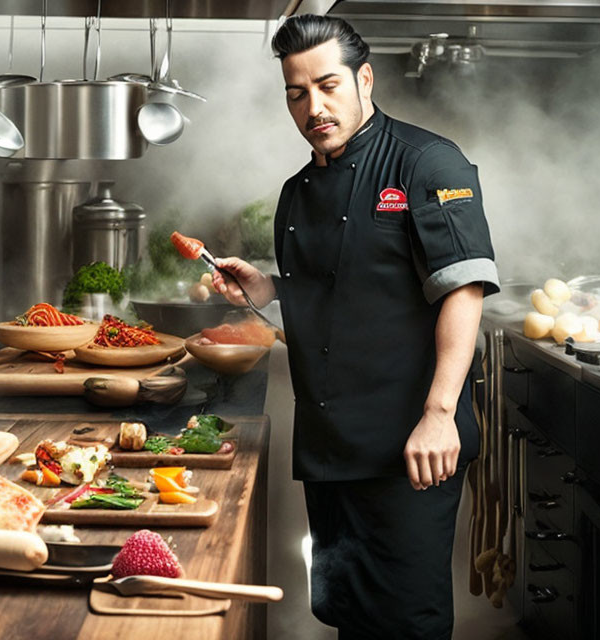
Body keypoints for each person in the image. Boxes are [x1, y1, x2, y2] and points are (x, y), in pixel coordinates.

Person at [212, 14, 499, 639]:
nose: (313, 105)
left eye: (329, 84)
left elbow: (464, 289)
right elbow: (335, 301)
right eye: (296, 92)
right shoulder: (297, 191)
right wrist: (265, 292)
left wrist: (440, 413)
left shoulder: (428, 162)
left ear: (364, 79)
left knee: (405, 622)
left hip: (410, 449)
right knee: (348, 617)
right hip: (330, 449)